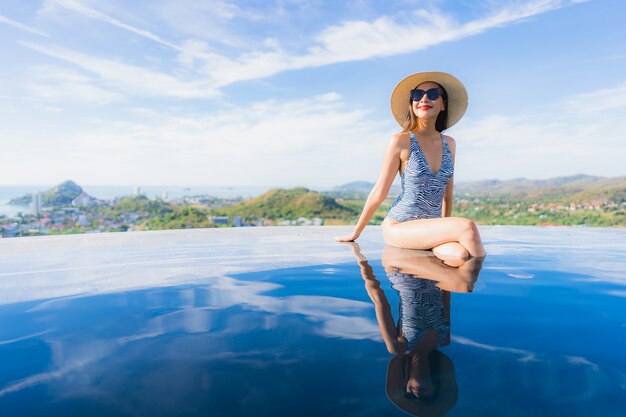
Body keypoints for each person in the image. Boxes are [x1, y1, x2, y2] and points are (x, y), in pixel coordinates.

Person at [335, 71, 486, 261]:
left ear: (443, 104)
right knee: (467, 227)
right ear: (412, 103)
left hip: (430, 229)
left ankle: (457, 287)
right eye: (417, 94)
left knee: (461, 255)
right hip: (400, 226)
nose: (424, 98)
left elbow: (447, 193)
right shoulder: (401, 141)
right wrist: (356, 233)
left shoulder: (450, 143)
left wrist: (442, 228)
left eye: (432, 94)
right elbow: (379, 190)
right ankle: (494, 286)